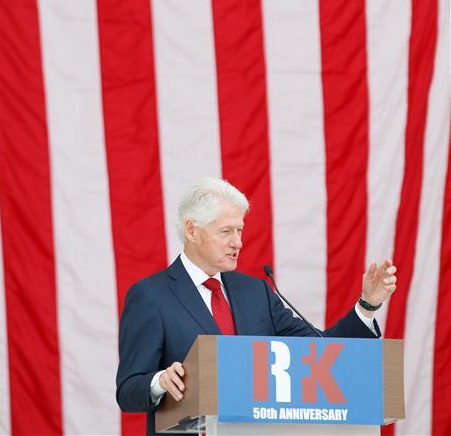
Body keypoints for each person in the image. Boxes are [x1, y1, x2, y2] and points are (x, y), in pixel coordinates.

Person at [116, 177, 397, 436]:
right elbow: (128, 390)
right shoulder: (150, 296)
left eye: (239, 230)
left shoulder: (255, 291)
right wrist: (159, 382)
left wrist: (367, 305)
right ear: (191, 230)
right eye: (226, 231)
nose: (237, 242)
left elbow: (323, 355)